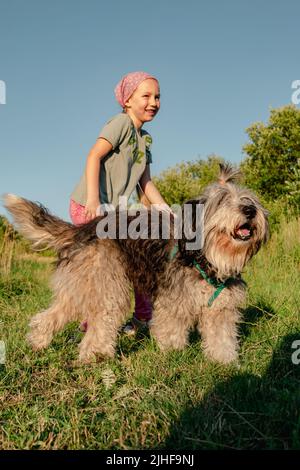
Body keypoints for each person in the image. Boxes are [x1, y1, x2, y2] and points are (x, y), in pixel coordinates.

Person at [69, 71, 170, 334]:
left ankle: (141, 319)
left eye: (157, 96)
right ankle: (92, 326)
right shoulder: (121, 123)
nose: (153, 102)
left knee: (140, 260)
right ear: (127, 100)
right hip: (90, 206)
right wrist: (93, 200)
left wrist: (166, 211)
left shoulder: (145, 139)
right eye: (146, 96)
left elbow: (145, 184)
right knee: (104, 271)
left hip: (117, 213)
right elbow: (94, 157)